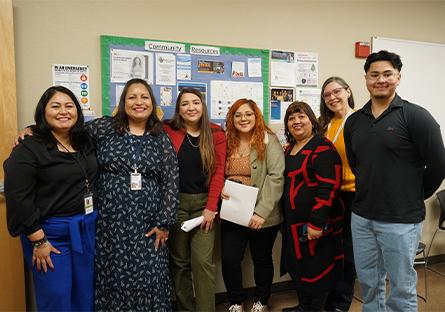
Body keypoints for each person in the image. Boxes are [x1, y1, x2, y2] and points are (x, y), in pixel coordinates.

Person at [344, 50, 445, 312]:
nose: (381, 80)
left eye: (387, 74)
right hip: (362, 217)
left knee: (401, 288)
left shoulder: (415, 116)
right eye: (374, 74)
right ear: (365, 78)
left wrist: (413, 193)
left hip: (401, 219)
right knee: (368, 284)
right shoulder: (354, 121)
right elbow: (358, 164)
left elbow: (438, 165)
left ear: (398, 77)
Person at [87, 78, 179, 311]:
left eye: (144, 97)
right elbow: (68, 133)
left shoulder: (160, 137)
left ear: (152, 103)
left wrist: (165, 222)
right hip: (111, 225)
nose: (139, 102)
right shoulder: (104, 128)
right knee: (114, 275)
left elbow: (171, 180)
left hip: (149, 225)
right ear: (123, 102)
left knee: (150, 276)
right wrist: (34, 130)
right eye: (132, 97)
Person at [4, 86, 98, 311]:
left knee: (84, 295)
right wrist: (39, 241)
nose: (63, 111)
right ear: (43, 112)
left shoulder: (85, 140)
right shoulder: (29, 147)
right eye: (55, 106)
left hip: (85, 230)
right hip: (49, 237)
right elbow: (18, 198)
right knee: (56, 297)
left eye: (69, 106)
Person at [163, 88, 226, 312]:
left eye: (196, 102)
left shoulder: (216, 133)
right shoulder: (167, 130)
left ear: (203, 106)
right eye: (185, 104)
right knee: (179, 263)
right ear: (178, 109)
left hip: (203, 206)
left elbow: (219, 171)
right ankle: (185, 309)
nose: (191, 108)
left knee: (202, 263)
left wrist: (211, 207)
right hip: (175, 204)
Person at [221, 99, 285, 312]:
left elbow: (276, 177)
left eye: (248, 114)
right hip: (233, 211)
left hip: (262, 213)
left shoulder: (269, 140)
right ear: (232, 119)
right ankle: (236, 301)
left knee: (261, 258)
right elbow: (214, 170)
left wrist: (261, 212)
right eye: (238, 115)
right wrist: (221, 188)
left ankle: (261, 299)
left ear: (256, 116)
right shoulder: (225, 140)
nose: (243, 119)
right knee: (230, 258)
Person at [281, 101, 344, 312]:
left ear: (312, 120)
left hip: (314, 224)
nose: (296, 122)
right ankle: (303, 306)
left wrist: (316, 222)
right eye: (291, 118)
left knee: (316, 269)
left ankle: (315, 308)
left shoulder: (323, 147)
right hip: (292, 224)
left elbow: (329, 188)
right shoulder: (289, 149)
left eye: (302, 117)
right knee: (297, 266)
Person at [319, 77, 356, 312]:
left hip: (353, 195)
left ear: (348, 91)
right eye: (326, 95)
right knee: (329, 249)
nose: (332, 97)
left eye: (336, 91)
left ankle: (340, 304)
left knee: (348, 252)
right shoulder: (325, 124)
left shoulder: (361, 120)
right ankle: (328, 297)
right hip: (330, 195)